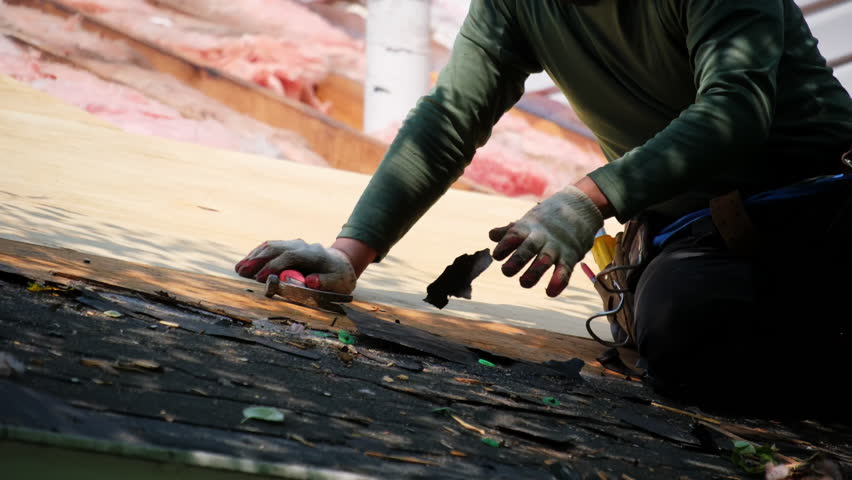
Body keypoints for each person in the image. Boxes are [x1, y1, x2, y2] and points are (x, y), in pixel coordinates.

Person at [236, 0, 852, 413]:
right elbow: (452, 117)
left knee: (696, 321)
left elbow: (735, 111)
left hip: (819, 208)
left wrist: (587, 199)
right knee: (682, 325)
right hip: (693, 236)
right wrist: (348, 255)